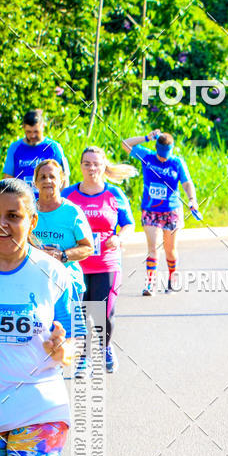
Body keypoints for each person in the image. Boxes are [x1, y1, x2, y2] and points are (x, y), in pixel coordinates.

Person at [0, 178, 75, 456]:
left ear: (31, 220)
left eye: (13, 216)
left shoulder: (53, 274)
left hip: (38, 407)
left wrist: (62, 349)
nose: (3, 225)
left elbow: (75, 341)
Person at [63, 146, 136, 374]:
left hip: (107, 263)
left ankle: (104, 347)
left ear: (104, 165)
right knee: (79, 312)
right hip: (76, 264)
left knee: (104, 312)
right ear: (81, 166)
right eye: (87, 163)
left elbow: (129, 224)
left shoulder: (114, 194)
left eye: (96, 163)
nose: (92, 168)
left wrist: (119, 237)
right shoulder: (68, 195)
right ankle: (83, 357)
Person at [121, 131, 199, 295]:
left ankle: (172, 279)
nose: (164, 158)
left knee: (170, 249)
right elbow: (125, 143)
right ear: (156, 148)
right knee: (153, 248)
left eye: (166, 154)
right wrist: (146, 138)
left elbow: (186, 183)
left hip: (171, 211)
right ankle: (150, 284)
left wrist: (192, 199)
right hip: (150, 211)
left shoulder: (177, 162)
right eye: (161, 154)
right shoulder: (147, 156)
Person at [32, 159, 94, 305]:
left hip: (69, 285)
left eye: (52, 177)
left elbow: (88, 247)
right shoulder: (27, 212)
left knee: (75, 327)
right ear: (35, 183)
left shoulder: (72, 212)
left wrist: (62, 256)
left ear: (61, 181)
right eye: (42, 177)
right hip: (35, 284)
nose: (47, 180)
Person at [3, 109, 70, 194]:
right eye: (28, 132)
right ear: (23, 128)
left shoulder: (54, 147)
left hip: (47, 200)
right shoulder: (15, 148)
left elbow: (64, 179)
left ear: (43, 126)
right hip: (22, 201)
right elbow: (8, 179)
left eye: (36, 131)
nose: (32, 135)